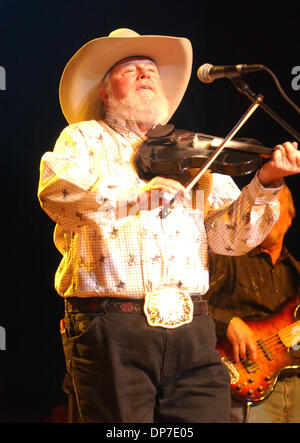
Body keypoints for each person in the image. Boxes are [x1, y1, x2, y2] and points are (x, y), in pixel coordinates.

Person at [38, 28, 300, 423]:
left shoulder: (195, 153)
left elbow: (231, 239)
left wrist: (266, 183)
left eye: (151, 69)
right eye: (131, 69)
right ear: (105, 93)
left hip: (193, 328)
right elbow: (58, 192)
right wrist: (136, 195)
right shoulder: (83, 138)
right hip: (112, 324)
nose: (145, 73)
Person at [206, 185, 300, 423]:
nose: (271, 217)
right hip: (238, 376)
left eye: (277, 209)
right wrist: (227, 323)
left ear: (290, 216)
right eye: (264, 210)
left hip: (294, 381)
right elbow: (190, 305)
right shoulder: (226, 257)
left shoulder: (297, 272)